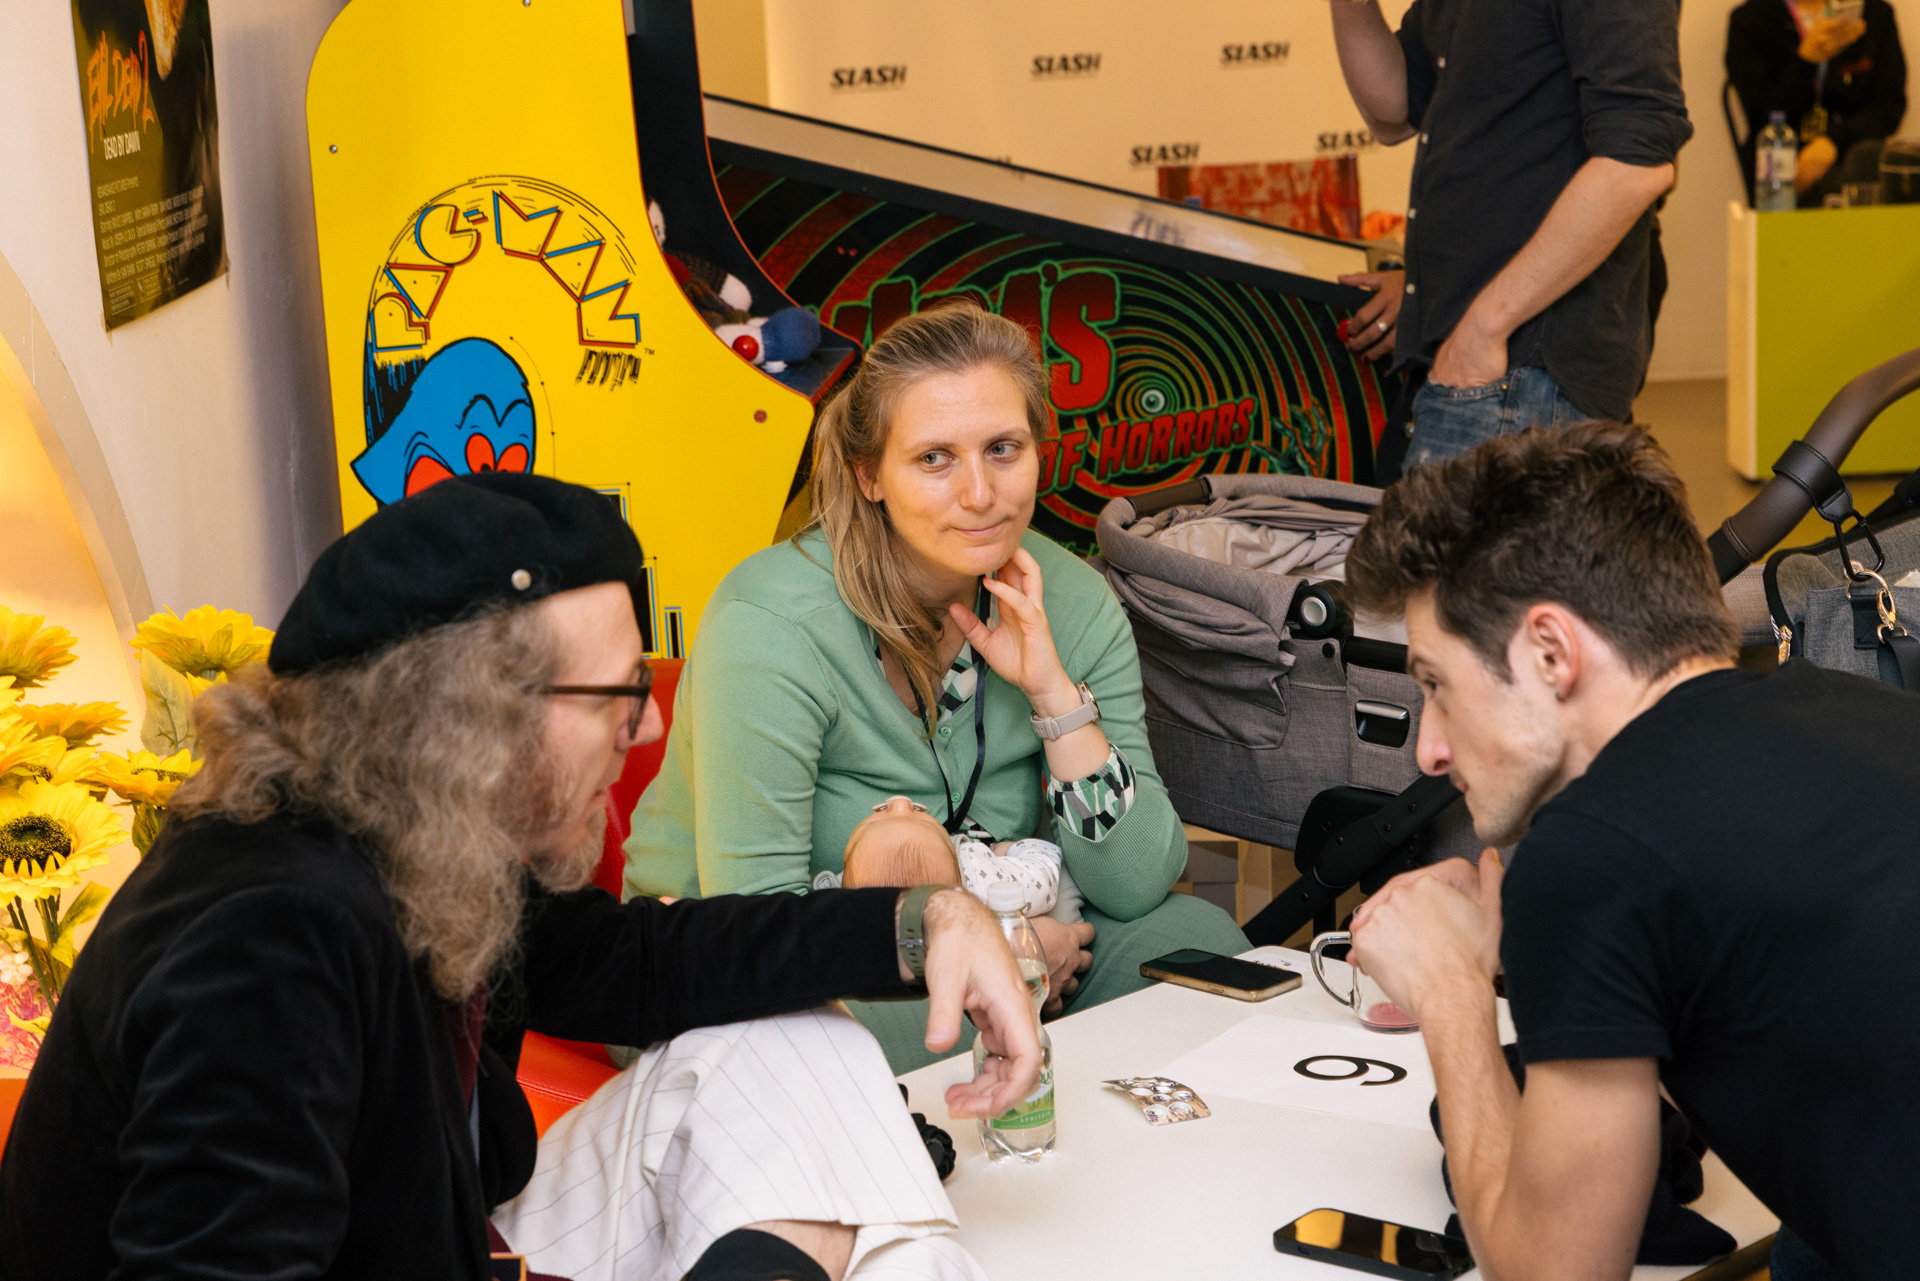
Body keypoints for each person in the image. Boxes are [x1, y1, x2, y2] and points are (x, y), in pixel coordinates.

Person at [0, 473, 1042, 1281]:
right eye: (619, 694)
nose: (651, 725)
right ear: (473, 717)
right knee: (856, 1230)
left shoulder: (414, 826)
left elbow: (635, 964)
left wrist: (930, 921)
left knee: (799, 1038)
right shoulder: (270, 941)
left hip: (463, 1235)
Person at [1339, 423, 1920, 1280]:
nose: (1428, 749)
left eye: (1436, 684)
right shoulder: (1858, 712)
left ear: (1550, 651)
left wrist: (1448, 987)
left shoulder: (1592, 852)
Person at [625, 302, 1249, 1072]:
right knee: (868, 1029)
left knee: (1204, 949)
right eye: (934, 458)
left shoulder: (1074, 600)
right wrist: (1011, 963)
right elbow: (757, 932)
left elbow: (1136, 884)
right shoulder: (771, 620)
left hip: (1006, 947)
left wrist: (1055, 696)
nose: (980, 492)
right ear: (869, 474)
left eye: (1003, 448)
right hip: (766, 977)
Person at [1327, 0, 1690, 467]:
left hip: (1522, 372)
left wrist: (1485, 328)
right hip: (1472, 358)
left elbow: (1637, 164)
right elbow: (1393, 110)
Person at [1727, 0, 1908, 208]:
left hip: (1855, 162)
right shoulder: (1750, 20)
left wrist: (1831, 143)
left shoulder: (1874, 13)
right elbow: (1764, 117)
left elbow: (1888, 108)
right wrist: (1806, 60)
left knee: (1876, 161)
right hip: (1783, 165)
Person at [837, 794, 1080, 922]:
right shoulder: (980, 880)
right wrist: (1016, 849)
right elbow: (1043, 871)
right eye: (923, 822)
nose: (900, 802)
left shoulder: (844, 895)